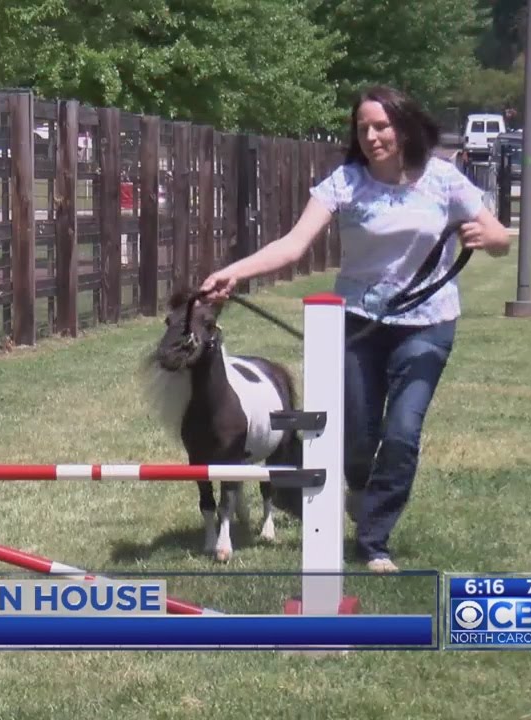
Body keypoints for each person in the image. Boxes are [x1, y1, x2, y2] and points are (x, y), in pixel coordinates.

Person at [198, 85, 511, 573]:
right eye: (362, 127)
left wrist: (488, 235)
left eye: (380, 126)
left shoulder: (444, 179)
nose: (370, 136)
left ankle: (373, 540)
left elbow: (499, 237)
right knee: (358, 438)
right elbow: (293, 244)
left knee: (403, 432)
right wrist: (234, 272)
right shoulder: (345, 182)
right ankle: (358, 488)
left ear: (404, 127)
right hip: (356, 323)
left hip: (428, 324)